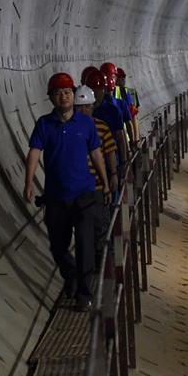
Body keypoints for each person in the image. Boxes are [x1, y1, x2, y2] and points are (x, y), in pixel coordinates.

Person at [23, 72, 112, 311]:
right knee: (58, 246)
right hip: (56, 197)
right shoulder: (44, 124)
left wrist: (105, 182)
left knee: (85, 244)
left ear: (73, 95)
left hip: (84, 195)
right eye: (58, 93)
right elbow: (34, 152)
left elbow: (96, 154)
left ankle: (84, 293)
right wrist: (29, 182)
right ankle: (70, 274)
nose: (64, 97)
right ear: (51, 98)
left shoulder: (86, 124)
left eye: (67, 92)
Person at [74, 85, 118, 264]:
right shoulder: (69, 129)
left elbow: (109, 152)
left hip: (98, 187)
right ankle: (88, 267)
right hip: (77, 189)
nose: (84, 110)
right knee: (83, 231)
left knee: (101, 227)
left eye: (87, 106)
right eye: (80, 107)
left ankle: (105, 269)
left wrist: (113, 174)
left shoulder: (101, 127)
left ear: (93, 107)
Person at [85, 69, 129, 166]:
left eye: (98, 89)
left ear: (104, 90)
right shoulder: (83, 111)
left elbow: (120, 137)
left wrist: (124, 162)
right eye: (92, 90)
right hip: (89, 164)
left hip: (111, 162)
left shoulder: (112, 111)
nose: (95, 93)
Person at [100, 62, 135, 147]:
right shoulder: (123, 95)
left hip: (106, 144)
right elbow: (131, 121)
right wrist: (133, 142)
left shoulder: (97, 100)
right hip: (122, 142)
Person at [114, 67, 140, 141]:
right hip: (125, 137)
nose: (124, 80)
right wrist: (136, 138)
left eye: (124, 78)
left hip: (123, 138)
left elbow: (133, 115)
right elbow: (133, 116)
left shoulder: (126, 92)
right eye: (122, 78)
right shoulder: (124, 92)